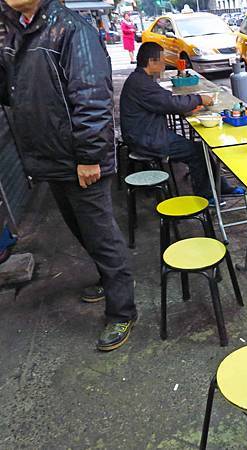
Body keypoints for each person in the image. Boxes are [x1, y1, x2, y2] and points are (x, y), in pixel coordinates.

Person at [0, 0, 137, 351]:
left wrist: (90, 156)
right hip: (51, 159)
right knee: (81, 229)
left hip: (81, 161)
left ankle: (122, 311)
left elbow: (92, 98)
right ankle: (108, 281)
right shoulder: (16, 31)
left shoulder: (72, 29)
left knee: (102, 234)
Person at [120, 42, 244, 202]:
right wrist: (199, 98)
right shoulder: (140, 83)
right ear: (151, 61)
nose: (165, 63)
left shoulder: (141, 79)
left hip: (147, 133)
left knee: (201, 148)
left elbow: (164, 99)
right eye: (162, 60)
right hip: (147, 139)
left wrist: (186, 106)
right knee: (198, 151)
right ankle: (206, 195)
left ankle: (221, 187)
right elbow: (169, 102)